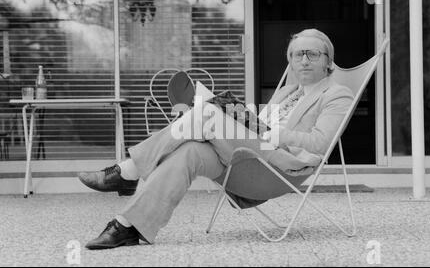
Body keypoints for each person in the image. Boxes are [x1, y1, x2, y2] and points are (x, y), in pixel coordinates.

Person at [78, 29, 354, 250]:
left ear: (328, 61)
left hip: (283, 165)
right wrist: (245, 119)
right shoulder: (287, 91)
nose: (303, 60)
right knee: (189, 150)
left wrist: (270, 133)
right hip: (252, 155)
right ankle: (127, 226)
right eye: (297, 55)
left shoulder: (336, 94)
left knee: (208, 111)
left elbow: (320, 144)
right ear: (291, 61)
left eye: (312, 54)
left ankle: (128, 171)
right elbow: (261, 126)